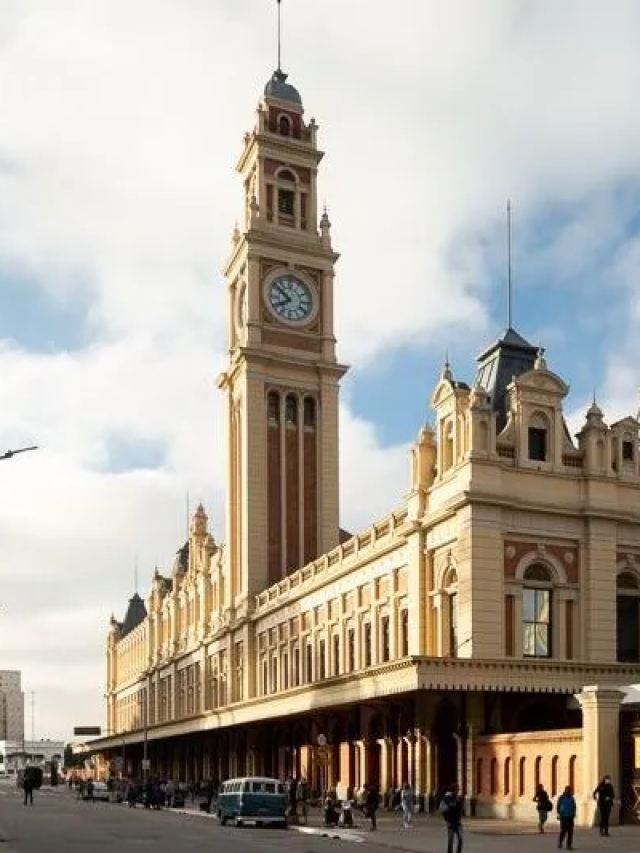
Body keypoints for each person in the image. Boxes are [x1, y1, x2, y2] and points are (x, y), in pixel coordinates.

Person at [439, 782, 464, 853]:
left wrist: (460, 805)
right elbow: (442, 810)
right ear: (453, 790)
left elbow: (460, 809)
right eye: (457, 789)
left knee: (460, 839)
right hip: (450, 823)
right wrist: (447, 819)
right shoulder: (446, 798)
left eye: (458, 789)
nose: (458, 791)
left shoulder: (458, 798)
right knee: (451, 840)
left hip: (458, 823)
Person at [556, 785, 576, 850]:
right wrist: (559, 813)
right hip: (563, 817)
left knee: (570, 832)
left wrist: (573, 813)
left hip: (570, 817)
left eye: (571, 791)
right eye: (570, 790)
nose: (571, 792)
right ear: (566, 790)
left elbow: (574, 806)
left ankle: (569, 845)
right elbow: (558, 807)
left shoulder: (572, 798)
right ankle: (560, 842)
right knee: (563, 831)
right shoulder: (561, 798)